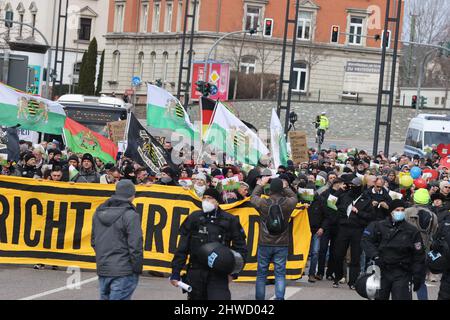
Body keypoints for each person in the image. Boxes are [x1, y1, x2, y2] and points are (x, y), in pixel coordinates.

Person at [170, 188, 247, 300]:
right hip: (196, 271)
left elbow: (241, 249)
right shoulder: (194, 218)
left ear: (217, 201)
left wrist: (233, 273)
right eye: (204, 198)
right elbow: (182, 248)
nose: (206, 201)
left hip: (219, 273)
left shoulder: (229, 220)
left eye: (210, 198)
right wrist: (175, 272)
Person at [361, 199, 426, 300]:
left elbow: (419, 254)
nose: (400, 212)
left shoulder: (412, 230)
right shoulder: (379, 226)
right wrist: (375, 255)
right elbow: (366, 241)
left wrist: (418, 274)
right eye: (397, 210)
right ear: (391, 211)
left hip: (402, 272)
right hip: (382, 270)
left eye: (402, 210)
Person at [91, 180, 143, 300]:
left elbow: (94, 241)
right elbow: (135, 244)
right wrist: (137, 268)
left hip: (104, 267)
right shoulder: (130, 215)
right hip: (123, 270)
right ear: (132, 195)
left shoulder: (99, 212)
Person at [251, 177, 298, 300]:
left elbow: (253, 197)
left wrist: (261, 184)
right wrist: (286, 187)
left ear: (270, 190)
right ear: (281, 189)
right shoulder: (288, 203)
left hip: (265, 242)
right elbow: (295, 198)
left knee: (261, 274)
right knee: (280, 274)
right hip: (282, 243)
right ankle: (280, 298)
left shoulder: (263, 203)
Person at [333, 177, 375, 289]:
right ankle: (338, 277)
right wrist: (340, 190)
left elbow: (370, 216)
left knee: (355, 257)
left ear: (360, 186)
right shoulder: (345, 195)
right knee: (338, 254)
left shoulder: (366, 199)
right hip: (343, 228)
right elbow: (331, 201)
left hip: (357, 230)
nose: (351, 187)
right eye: (350, 185)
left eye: (354, 186)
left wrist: (359, 212)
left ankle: (352, 282)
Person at [404, 188, 438, 300]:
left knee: (404, 281)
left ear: (415, 198)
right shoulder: (433, 215)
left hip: (406, 249)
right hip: (423, 250)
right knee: (421, 282)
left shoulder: (407, 211)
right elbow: (433, 232)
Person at [316, 177, 345, 281]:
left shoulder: (343, 194)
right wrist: (322, 226)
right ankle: (320, 272)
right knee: (323, 250)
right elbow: (325, 210)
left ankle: (330, 272)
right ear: (337, 184)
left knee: (334, 251)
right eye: (342, 184)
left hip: (337, 226)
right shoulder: (326, 193)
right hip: (327, 225)